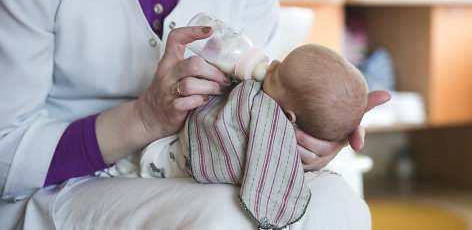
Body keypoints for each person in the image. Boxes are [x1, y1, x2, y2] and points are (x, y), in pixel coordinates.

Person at [0, 0, 390, 229]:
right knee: (229, 220)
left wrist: (312, 132)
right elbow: (6, 155)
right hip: (64, 182)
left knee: (340, 204)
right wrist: (144, 120)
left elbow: (263, 95)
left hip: (202, 163)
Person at [106, 43, 368, 229]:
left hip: (185, 154)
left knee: (340, 202)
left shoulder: (266, 119)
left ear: (289, 118)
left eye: (277, 73)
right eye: (280, 61)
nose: (273, 64)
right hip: (140, 137)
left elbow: (250, 154)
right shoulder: (269, 97)